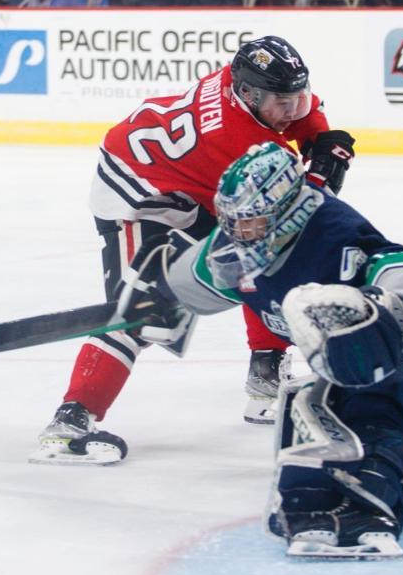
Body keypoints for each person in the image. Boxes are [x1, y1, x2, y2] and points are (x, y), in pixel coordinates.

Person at [107, 143, 403, 557]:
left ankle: (364, 512)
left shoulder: (333, 235)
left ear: (287, 210)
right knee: (336, 391)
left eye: (250, 223)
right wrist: (158, 300)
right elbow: (190, 283)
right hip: (378, 357)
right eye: (232, 221)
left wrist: (390, 313)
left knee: (336, 402)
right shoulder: (237, 246)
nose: (237, 234)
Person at [30, 36, 357, 465]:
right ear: (248, 94)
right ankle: (67, 425)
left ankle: (265, 376)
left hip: (189, 182)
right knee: (141, 314)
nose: (293, 109)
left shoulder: (246, 87)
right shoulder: (235, 136)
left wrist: (319, 138)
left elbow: (305, 116)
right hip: (137, 193)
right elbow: (300, 209)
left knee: (262, 255)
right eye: (283, 101)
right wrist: (325, 170)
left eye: (297, 96)